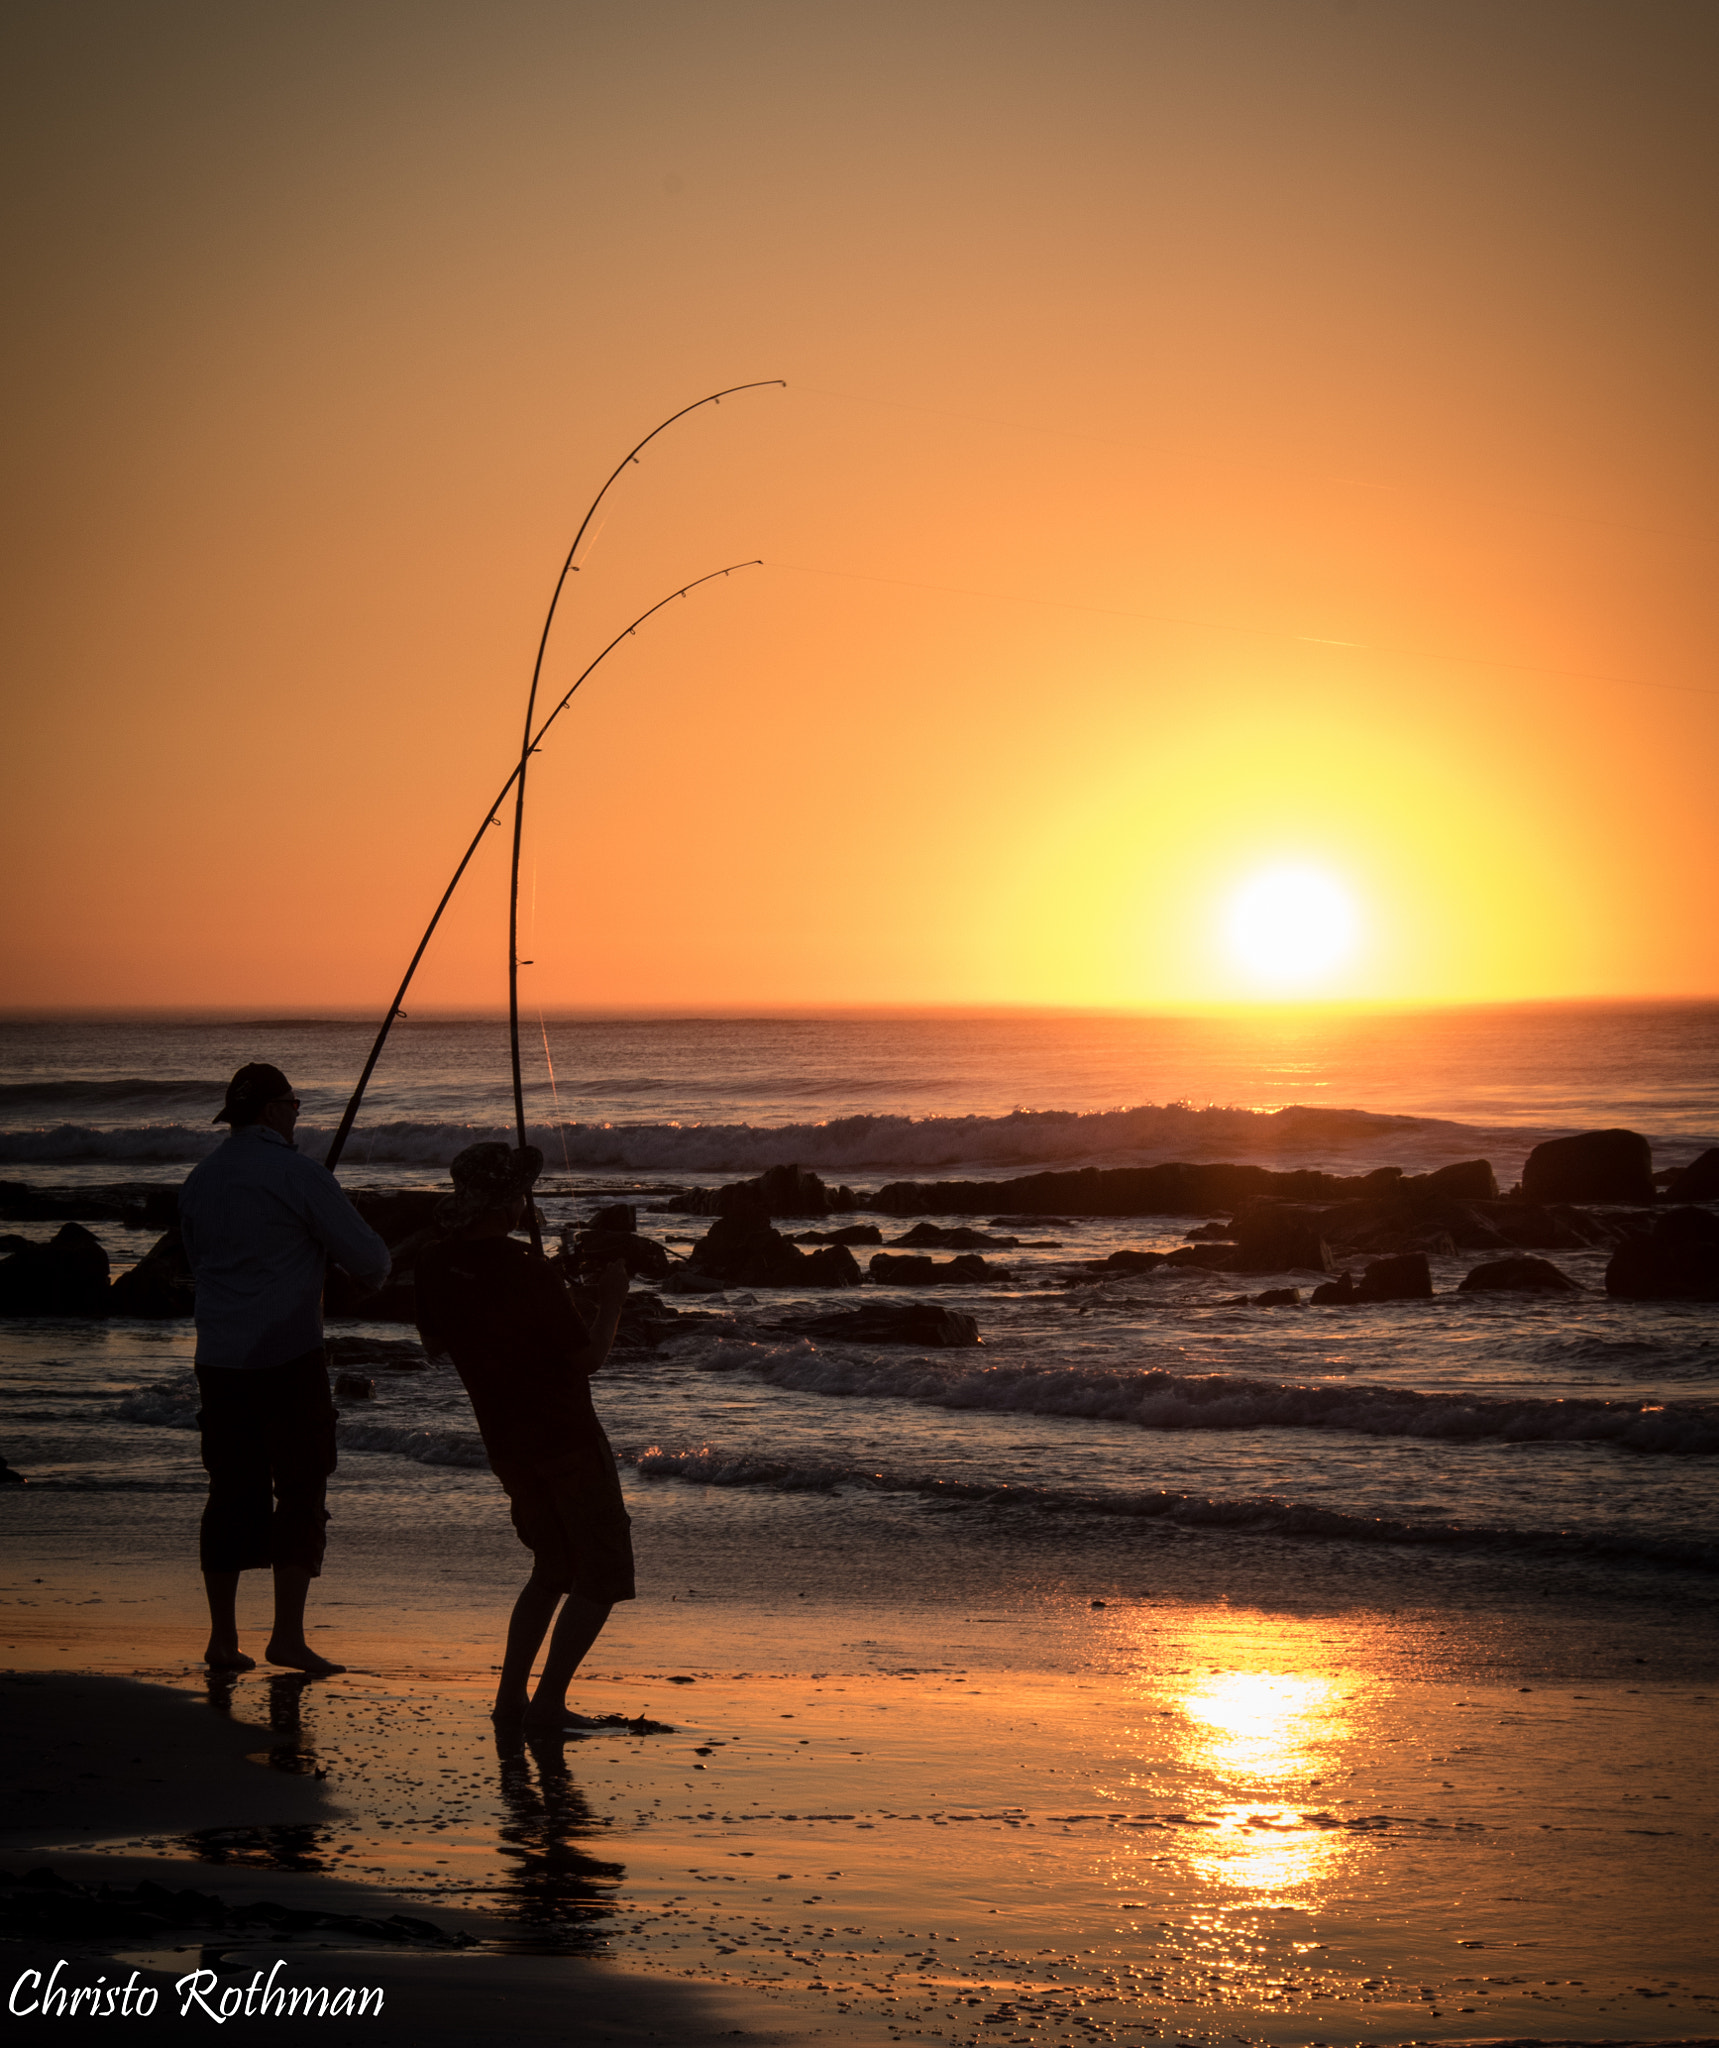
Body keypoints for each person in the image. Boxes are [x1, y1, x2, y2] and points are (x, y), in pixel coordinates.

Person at [178, 1062, 391, 1674]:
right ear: (274, 1112)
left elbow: (198, 1259)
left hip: (218, 1357)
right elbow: (371, 1260)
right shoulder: (300, 1175)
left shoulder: (201, 1178)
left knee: (228, 1491)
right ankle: (287, 1638)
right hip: (289, 1354)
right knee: (301, 1489)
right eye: (294, 1105)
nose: (299, 1114)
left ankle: (222, 1639)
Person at [414, 1142, 633, 1733]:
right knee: (603, 1573)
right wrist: (610, 1301)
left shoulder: (435, 1262)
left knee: (553, 1567)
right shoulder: (524, 1270)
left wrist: (542, 1296)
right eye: (520, 1194)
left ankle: (511, 1699)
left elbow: (437, 1343)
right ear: (507, 1201)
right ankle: (548, 1705)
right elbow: (587, 1357)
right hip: (565, 1436)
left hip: (507, 1444)